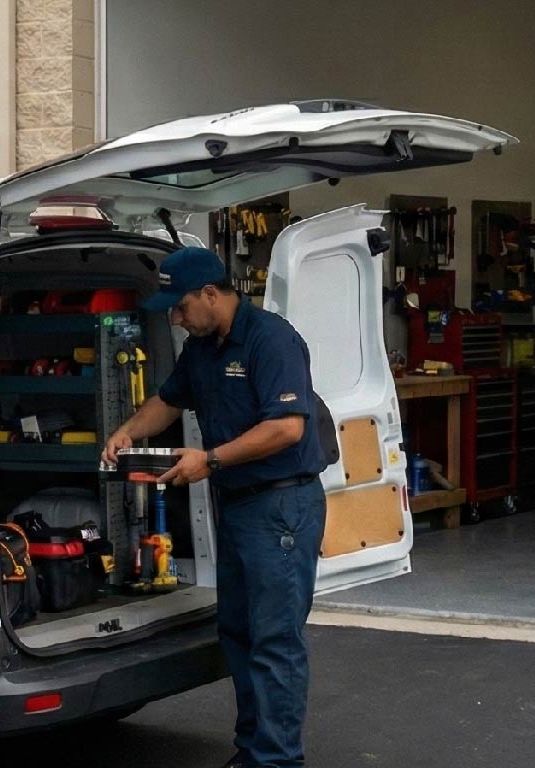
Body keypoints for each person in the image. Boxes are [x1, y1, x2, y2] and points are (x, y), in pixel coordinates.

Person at [102, 246, 327, 768]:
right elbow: (168, 400)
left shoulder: (272, 340)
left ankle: (276, 761)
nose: (176, 319)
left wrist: (212, 460)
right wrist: (126, 432)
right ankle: (253, 752)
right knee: (239, 633)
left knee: (274, 641)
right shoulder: (202, 347)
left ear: (210, 294)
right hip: (238, 506)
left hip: (281, 509)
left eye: (180, 307)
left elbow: (287, 427)